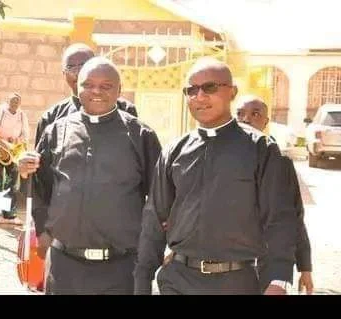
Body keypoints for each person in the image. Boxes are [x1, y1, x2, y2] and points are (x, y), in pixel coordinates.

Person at [134, 58, 297, 295]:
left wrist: (277, 279)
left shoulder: (261, 148)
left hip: (237, 283)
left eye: (209, 87)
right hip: (178, 281)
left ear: (232, 92)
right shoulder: (174, 151)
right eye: (191, 90)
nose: (199, 96)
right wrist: (142, 280)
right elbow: (153, 220)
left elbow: (279, 218)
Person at [19, 57, 161, 294]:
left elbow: (160, 199)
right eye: (88, 85)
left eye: (106, 86)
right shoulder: (56, 131)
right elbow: (39, 187)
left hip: (123, 268)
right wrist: (44, 229)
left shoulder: (140, 135)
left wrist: (151, 253)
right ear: (78, 87)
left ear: (119, 90)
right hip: (65, 268)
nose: (96, 91)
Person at [236, 95, 314, 294]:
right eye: (240, 114)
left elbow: (294, 216)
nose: (246, 119)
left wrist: (304, 266)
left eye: (255, 114)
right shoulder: (220, 157)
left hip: (264, 266)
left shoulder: (279, 161)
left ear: (265, 122)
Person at [34, 43, 138, 146]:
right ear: (63, 74)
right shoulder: (51, 117)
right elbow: (40, 160)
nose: (78, 72)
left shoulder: (124, 110)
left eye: (83, 65)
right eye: (71, 67)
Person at [0, 92, 28, 225]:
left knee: (12, 184)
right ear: (7, 101)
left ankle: (10, 215)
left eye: (17, 102)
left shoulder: (21, 115)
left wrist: (17, 141)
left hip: (13, 152)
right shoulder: (0, 112)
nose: (14, 104)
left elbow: (25, 133)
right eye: (12, 101)